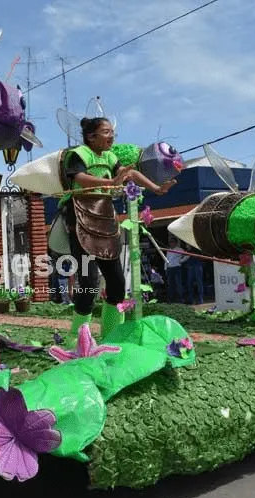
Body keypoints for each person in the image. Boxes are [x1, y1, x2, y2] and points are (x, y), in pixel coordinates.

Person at [61, 117, 176, 344]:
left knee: (116, 281)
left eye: (112, 132)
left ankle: (113, 334)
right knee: (88, 282)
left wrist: (156, 188)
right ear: (91, 136)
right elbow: (81, 178)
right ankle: (76, 337)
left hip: (104, 219)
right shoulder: (78, 154)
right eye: (106, 132)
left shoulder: (111, 157)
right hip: (80, 217)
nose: (111, 136)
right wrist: (113, 183)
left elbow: (129, 175)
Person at [165, 237, 187, 303]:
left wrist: (181, 261)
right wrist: (165, 269)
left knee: (178, 284)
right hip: (169, 269)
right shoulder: (168, 250)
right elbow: (166, 259)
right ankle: (171, 299)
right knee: (170, 284)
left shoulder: (179, 249)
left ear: (176, 243)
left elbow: (187, 255)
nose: (171, 243)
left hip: (176, 268)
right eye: (170, 242)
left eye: (172, 242)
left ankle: (181, 298)